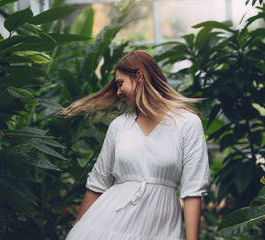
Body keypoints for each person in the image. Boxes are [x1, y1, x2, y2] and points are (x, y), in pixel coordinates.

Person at [60, 50, 210, 240]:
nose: (118, 92)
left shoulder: (187, 123)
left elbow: (193, 192)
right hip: (107, 225)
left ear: (139, 76)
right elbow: (98, 183)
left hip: (160, 229)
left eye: (120, 83)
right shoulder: (119, 126)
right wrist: (77, 231)